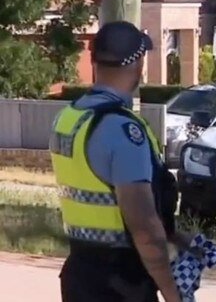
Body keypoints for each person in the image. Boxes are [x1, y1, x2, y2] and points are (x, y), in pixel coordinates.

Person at [50, 21, 189, 302]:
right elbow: (144, 228)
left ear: (94, 61)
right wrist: (174, 294)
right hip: (121, 283)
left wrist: (174, 236)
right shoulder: (123, 131)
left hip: (80, 275)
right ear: (138, 63)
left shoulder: (68, 119)